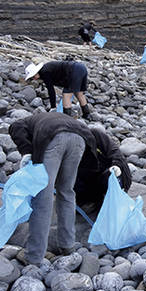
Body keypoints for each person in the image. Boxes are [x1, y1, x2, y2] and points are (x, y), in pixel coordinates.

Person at [9, 112, 99, 265]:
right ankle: (68, 245)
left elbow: (14, 127)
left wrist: (26, 152)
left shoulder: (23, 122)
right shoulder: (51, 117)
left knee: (43, 197)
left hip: (53, 137)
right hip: (80, 138)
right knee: (66, 192)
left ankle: (34, 256)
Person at [75, 127, 132, 209]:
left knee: (112, 173)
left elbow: (116, 153)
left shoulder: (95, 135)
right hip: (91, 181)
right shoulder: (71, 146)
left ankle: (112, 201)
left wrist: (116, 167)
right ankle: (90, 202)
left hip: (110, 175)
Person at [24, 60, 91, 119]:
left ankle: (67, 118)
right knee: (79, 94)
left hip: (74, 70)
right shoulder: (46, 68)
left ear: (36, 72)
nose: (34, 79)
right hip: (81, 68)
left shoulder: (44, 72)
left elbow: (51, 90)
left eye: (33, 76)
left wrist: (53, 107)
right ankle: (87, 115)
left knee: (66, 95)